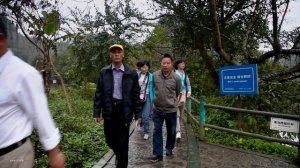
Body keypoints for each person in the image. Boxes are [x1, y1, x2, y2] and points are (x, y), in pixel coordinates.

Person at [0, 18, 65, 168]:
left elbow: (40, 114)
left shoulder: (23, 73)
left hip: (14, 156)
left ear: (1, 39)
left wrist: (54, 152)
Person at [93, 44, 142, 168]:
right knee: (110, 139)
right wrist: (96, 112)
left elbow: (135, 95)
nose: (116, 54)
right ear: (110, 55)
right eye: (113, 52)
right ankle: (119, 156)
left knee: (123, 142)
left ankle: (121, 163)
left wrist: (138, 114)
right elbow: (99, 93)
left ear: (123, 54)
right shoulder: (104, 72)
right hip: (109, 109)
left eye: (119, 52)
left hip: (124, 110)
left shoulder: (131, 73)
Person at [150, 53, 181, 162]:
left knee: (171, 131)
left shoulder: (176, 78)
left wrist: (172, 101)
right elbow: (153, 89)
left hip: (171, 110)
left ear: (172, 64)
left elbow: (178, 92)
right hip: (157, 109)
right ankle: (158, 154)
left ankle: (169, 148)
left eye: (168, 63)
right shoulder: (154, 75)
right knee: (157, 131)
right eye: (164, 63)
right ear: (161, 63)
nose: (165, 65)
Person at [174, 59, 192, 141]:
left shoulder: (185, 74)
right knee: (176, 114)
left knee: (181, 114)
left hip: (183, 94)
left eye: (184, 63)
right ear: (177, 65)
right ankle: (178, 132)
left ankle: (178, 128)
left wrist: (189, 92)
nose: (183, 64)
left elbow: (188, 85)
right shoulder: (174, 73)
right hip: (176, 94)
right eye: (181, 63)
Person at [137, 60, 154, 140]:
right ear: (140, 68)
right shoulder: (136, 75)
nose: (144, 69)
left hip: (147, 96)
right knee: (138, 115)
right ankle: (140, 124)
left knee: (146, 116)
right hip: (137, 97)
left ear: (148, 68)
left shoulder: (151, 76)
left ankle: (146, 132)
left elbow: (154, 87)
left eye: (146, 67)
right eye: (143, 67)